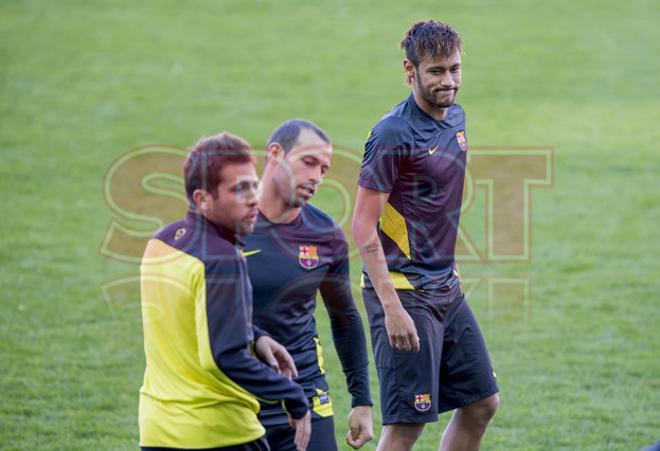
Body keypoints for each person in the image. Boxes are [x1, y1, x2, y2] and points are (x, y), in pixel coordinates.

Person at [352, 21, 500, 451]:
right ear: (409, 70)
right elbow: (362, 224)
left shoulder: (457, 116)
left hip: (445, 287)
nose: (448, 81)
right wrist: (391, 307)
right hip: (404, 292)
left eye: (454, 69)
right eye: (435, 71)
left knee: (481, 403)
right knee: (405, 427)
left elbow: (433, 203)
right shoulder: (393, 133)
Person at [138, 132, 311, 451]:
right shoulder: (223, 259)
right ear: (203, 199)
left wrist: (256, 335)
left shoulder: (161, 241)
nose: (253, 198)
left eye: (253, 185)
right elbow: (224, 356)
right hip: (220, 434)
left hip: (158, 431)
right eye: (238, 189)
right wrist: (294, 397)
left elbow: (191, 314)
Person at [242, 119, 374, 450]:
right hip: (236, 399)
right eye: (308, 162)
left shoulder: (325, 235)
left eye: (324, 169)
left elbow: (345, 317)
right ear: (275, 153)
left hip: (305, 396)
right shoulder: (227, 225)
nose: (316, 176)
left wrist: (362, 400)